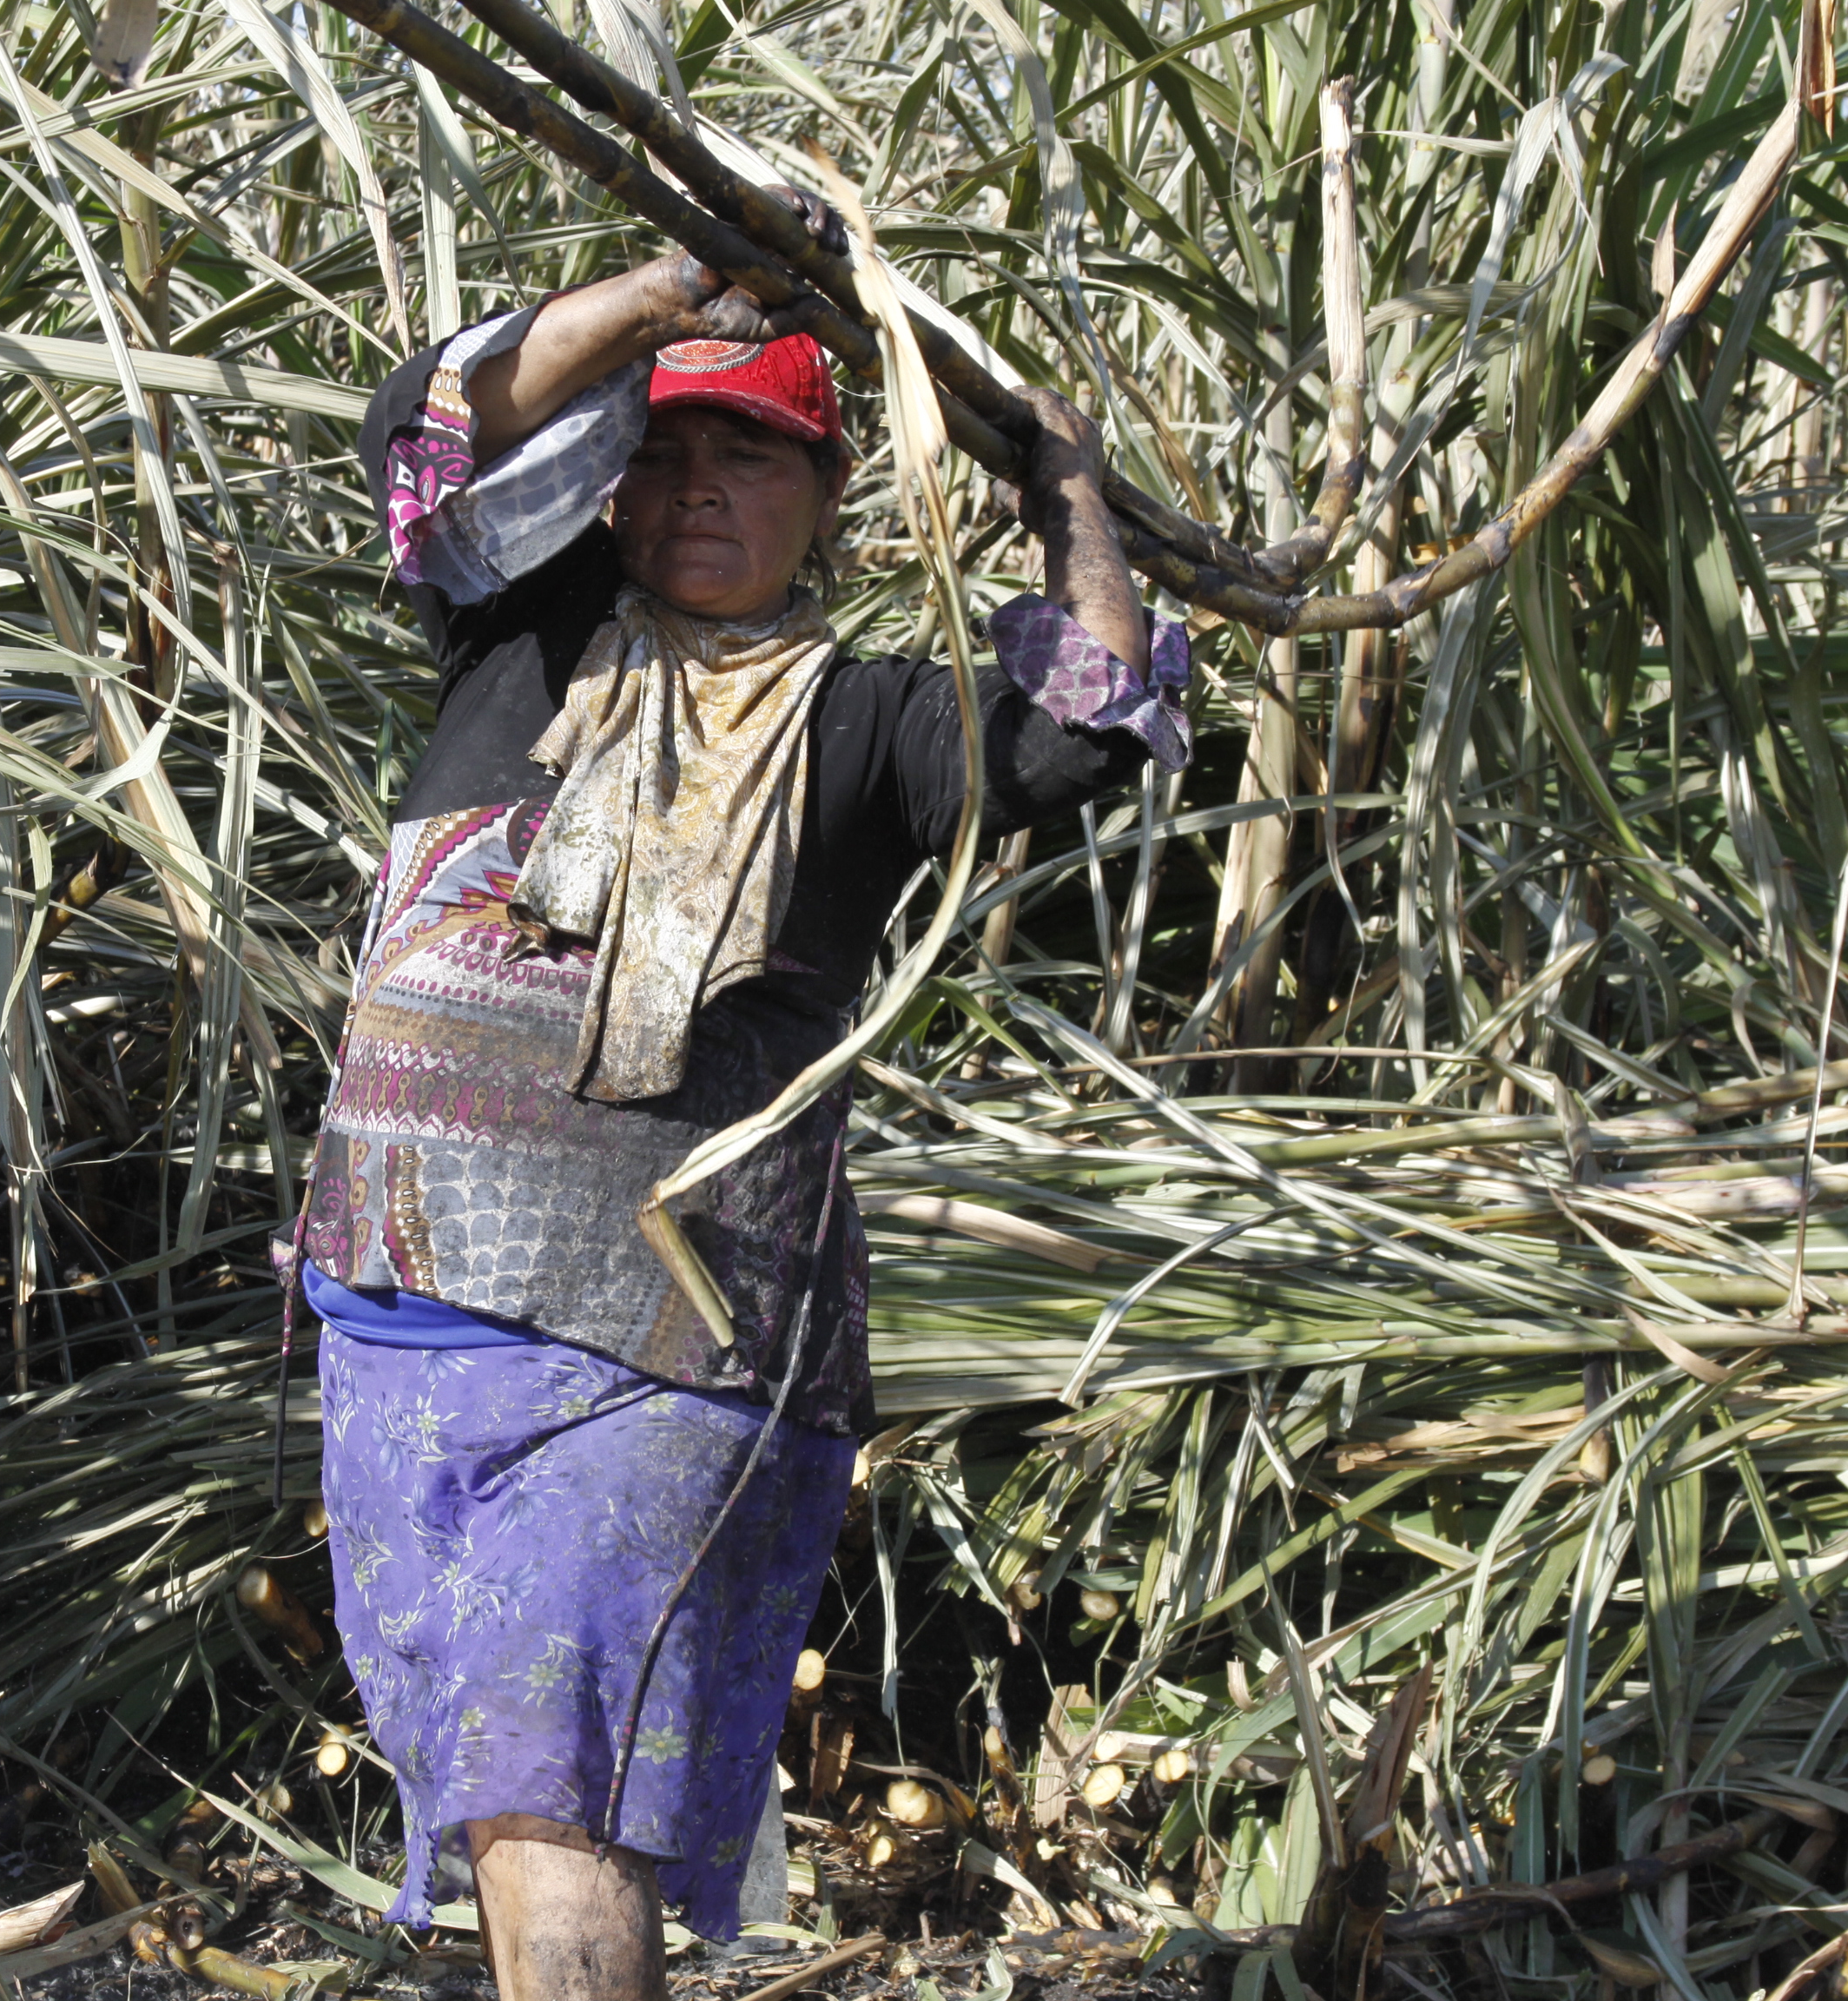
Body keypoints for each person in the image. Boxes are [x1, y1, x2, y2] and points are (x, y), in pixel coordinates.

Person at [283, 192, 1187, 1997]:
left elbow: (1082, 727)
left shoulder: (863, 723)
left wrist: (1067, 488)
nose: (705, 489)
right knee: (499, 1789)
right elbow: (431, 424)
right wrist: (666, 287)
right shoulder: (515, 632)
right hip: (400, 1290)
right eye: (673, 452)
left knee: (559, 1786)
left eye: (756, 458)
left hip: (658, 1327)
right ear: (618, 484)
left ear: (827, 503)